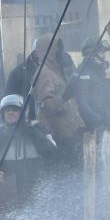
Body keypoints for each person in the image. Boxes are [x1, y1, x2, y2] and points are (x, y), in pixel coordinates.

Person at [0, 95, 58, 198]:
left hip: (36, 181)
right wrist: (3, 136)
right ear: (2, 114)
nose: (10, 113)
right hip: (6, 185)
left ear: (22, 113)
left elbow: (51, 152)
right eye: (7, 110)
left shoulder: (37, 127)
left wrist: (30, 132)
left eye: (15, 110)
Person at [31, 38, 83, 167]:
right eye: (55, 48)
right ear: (46, 51)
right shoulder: (43, 73)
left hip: (70, 135)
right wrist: (65, 96)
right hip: (57, 138)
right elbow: (47, 107)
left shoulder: (58, 72)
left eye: (60, 48)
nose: (59, 51)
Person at [72, 40, 110, 131]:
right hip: (89, 125)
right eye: (101, 53)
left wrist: (109, 118)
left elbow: (99, 99)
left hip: (101, 122)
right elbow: (82, 102)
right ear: (92, 54)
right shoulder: (83, 71)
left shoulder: (97, 72)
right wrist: (97, 119)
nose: (104, 56)